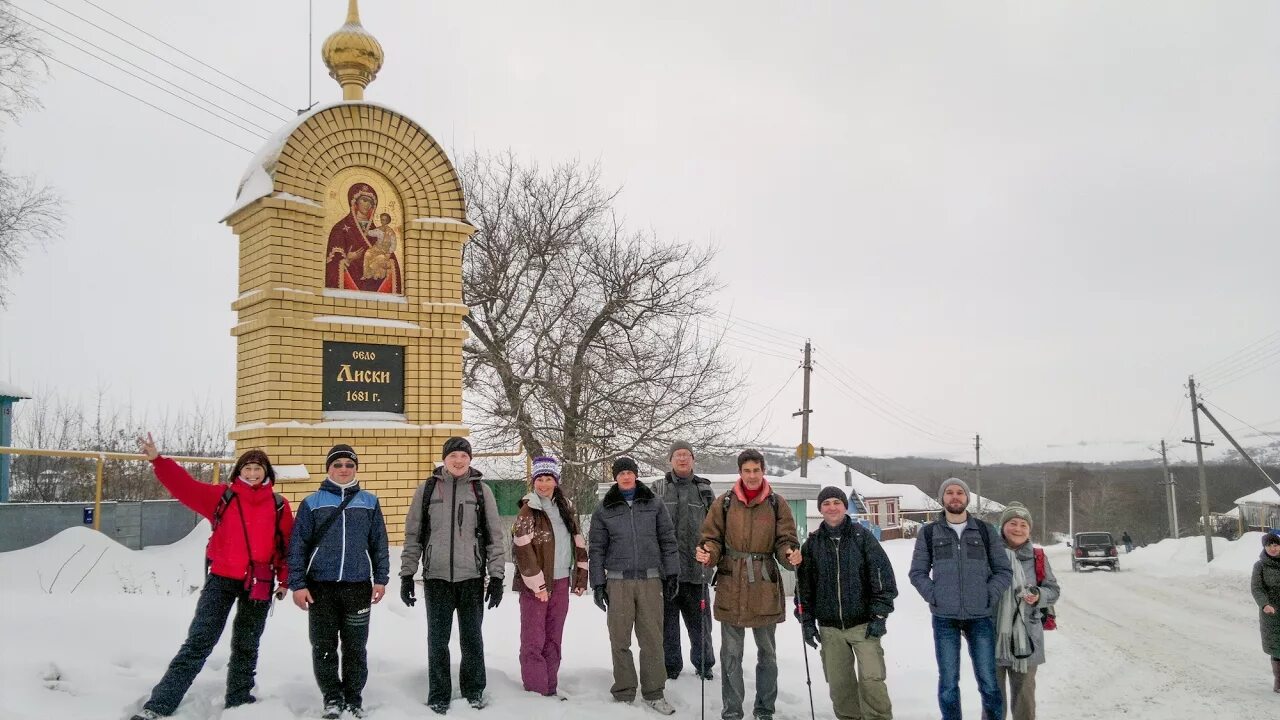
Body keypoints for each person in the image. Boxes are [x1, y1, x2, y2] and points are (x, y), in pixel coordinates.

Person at [130, 434, 293, 720]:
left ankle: (239, 701)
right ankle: (159, 705)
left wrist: (285, 579)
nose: (253, 474)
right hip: (221, 580)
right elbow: (184, 486)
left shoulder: (279, 505)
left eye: (258, 469)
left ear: (267, 473)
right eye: (248, 468)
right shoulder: (222, 497)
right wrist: (158, 460)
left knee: (247, 644)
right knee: (198, 642)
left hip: (259, 583)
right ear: (238, 471)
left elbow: (287, 544)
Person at [399, 436, 506, 714]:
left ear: (470, 459)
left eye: (463, 456)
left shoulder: (482, 491)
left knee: (472, 638)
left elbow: (495, 537)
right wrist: (407, 575)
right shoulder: (427, 490)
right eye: (453, 456)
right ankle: (438, 693)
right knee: (437, 639)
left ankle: (473, 691)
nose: (458, 461)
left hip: (471, 577)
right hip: (436, 578)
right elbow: (413, 535)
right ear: (444, 459)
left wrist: (496, 577)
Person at [696, 449, 801, 720]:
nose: (752, 475)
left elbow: (785, 540)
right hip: (731, 584)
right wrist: (708, 552)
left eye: (756, 470)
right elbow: (712, 538)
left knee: (767, 654)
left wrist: (789, 553)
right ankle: (732, 711)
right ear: (740, 472)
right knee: (731, 655)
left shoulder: (778, 504)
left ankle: (764, 709)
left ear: (763, 471)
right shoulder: (724, 503)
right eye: (747, 470)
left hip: (764, 585)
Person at [287, 444, 390, 719]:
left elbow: (379, 543)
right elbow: (297, 546)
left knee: (356, 647)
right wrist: (297, 584)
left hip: (358, 586)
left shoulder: (369, 502)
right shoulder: (312, 502)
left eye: (349, 465)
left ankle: (353, 698)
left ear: (355, 469)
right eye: (338, 464)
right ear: (328, 468)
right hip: (320, 587)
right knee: (324, 646)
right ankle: (332, 697)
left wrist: (380, 579)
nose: (344, 469)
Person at [909, 477, 1012, 720]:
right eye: (949, 493)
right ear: (942, 498)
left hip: (980, 617)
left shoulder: (985, 531)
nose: (955, 497)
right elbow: (917, 573)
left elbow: (1003, 571)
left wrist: (988, 595)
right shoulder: (930, 533)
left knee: (988, 681)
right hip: (945, 618)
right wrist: (935, 596)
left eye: (960, 493)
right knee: (948, 682)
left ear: (967, 498)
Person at [795, 486, 898, 720]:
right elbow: (804, 589)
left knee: (872, 681)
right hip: (830, 629)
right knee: (840, 686)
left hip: (864, 625)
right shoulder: (812, 544)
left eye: (836, 502)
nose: (832, 507)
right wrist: (807, 623)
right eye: (826, 503)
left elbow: (883, 578)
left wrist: (879, 615)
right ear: (820, 508)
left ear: (844, 506)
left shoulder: (862, 538)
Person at [588, 456, 680, 715]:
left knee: (652, 639)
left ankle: (654, 692)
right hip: (618, 581)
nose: (626, 477)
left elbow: (668, 540)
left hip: (651, 580)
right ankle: (624, 691)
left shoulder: (654, 503)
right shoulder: (605, 508)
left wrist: (671, 573)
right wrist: (597, 582)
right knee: (620, 639)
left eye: (630, 472)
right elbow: (596, 548)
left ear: (636, 475)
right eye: (621, 473)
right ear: (615, 477)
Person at [511, 456, 588, 698]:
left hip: (561, 581)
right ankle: (536, 692)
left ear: (556, 481)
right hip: (536, 585)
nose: (543, 484)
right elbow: (522, 549)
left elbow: (578, 543)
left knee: (554, 638)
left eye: (548, 479)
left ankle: (550, 687)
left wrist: (580, 579)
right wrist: (537, 585)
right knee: (534, 639)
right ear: (533, 482)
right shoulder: (529, 508)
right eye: (539, 479)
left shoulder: (566, 507)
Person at [653, 440, 717, 680]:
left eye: (686, 455)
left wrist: (711, 558)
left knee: (700, 626)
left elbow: (716, 530)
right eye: (677, 455)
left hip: (695, 571)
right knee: (668, 626)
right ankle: (671, 667)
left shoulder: (705, 490)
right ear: (670, 460)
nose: (682, 459)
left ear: (693, 459)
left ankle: (704, 665)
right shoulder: (658, 489)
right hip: (666, 573)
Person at [993, 502, 1060, 720]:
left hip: (1027, 640)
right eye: (1012, 523)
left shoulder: (1038, 557)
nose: (1018, 528)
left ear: (1029, 530)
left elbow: (1053, 590)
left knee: (1024, 702)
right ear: (1003, 526)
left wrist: (1039, 595)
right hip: (993, 638)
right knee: (993, 700)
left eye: (1023, 524)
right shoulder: (989, 554)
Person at [325, 182, 402, 293]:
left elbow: (391, 259)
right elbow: (332, 264)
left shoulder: (380, 232)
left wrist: (386, 262)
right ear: (355, 202)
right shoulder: (340, 228)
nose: (367, 205)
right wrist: (348, 259)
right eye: (364, 200)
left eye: (370, 202)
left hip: (376, 286)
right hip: (349, 287)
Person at [1250, 530, 1280, 693]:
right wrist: (1265, 604)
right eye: (1270, 545)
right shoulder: (1260, 566)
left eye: (1276, 545)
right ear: (1265, 547)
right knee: (1278, 648)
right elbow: (1257, 588)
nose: (1273, 548)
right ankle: (1279, 682)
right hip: (1272, 613)